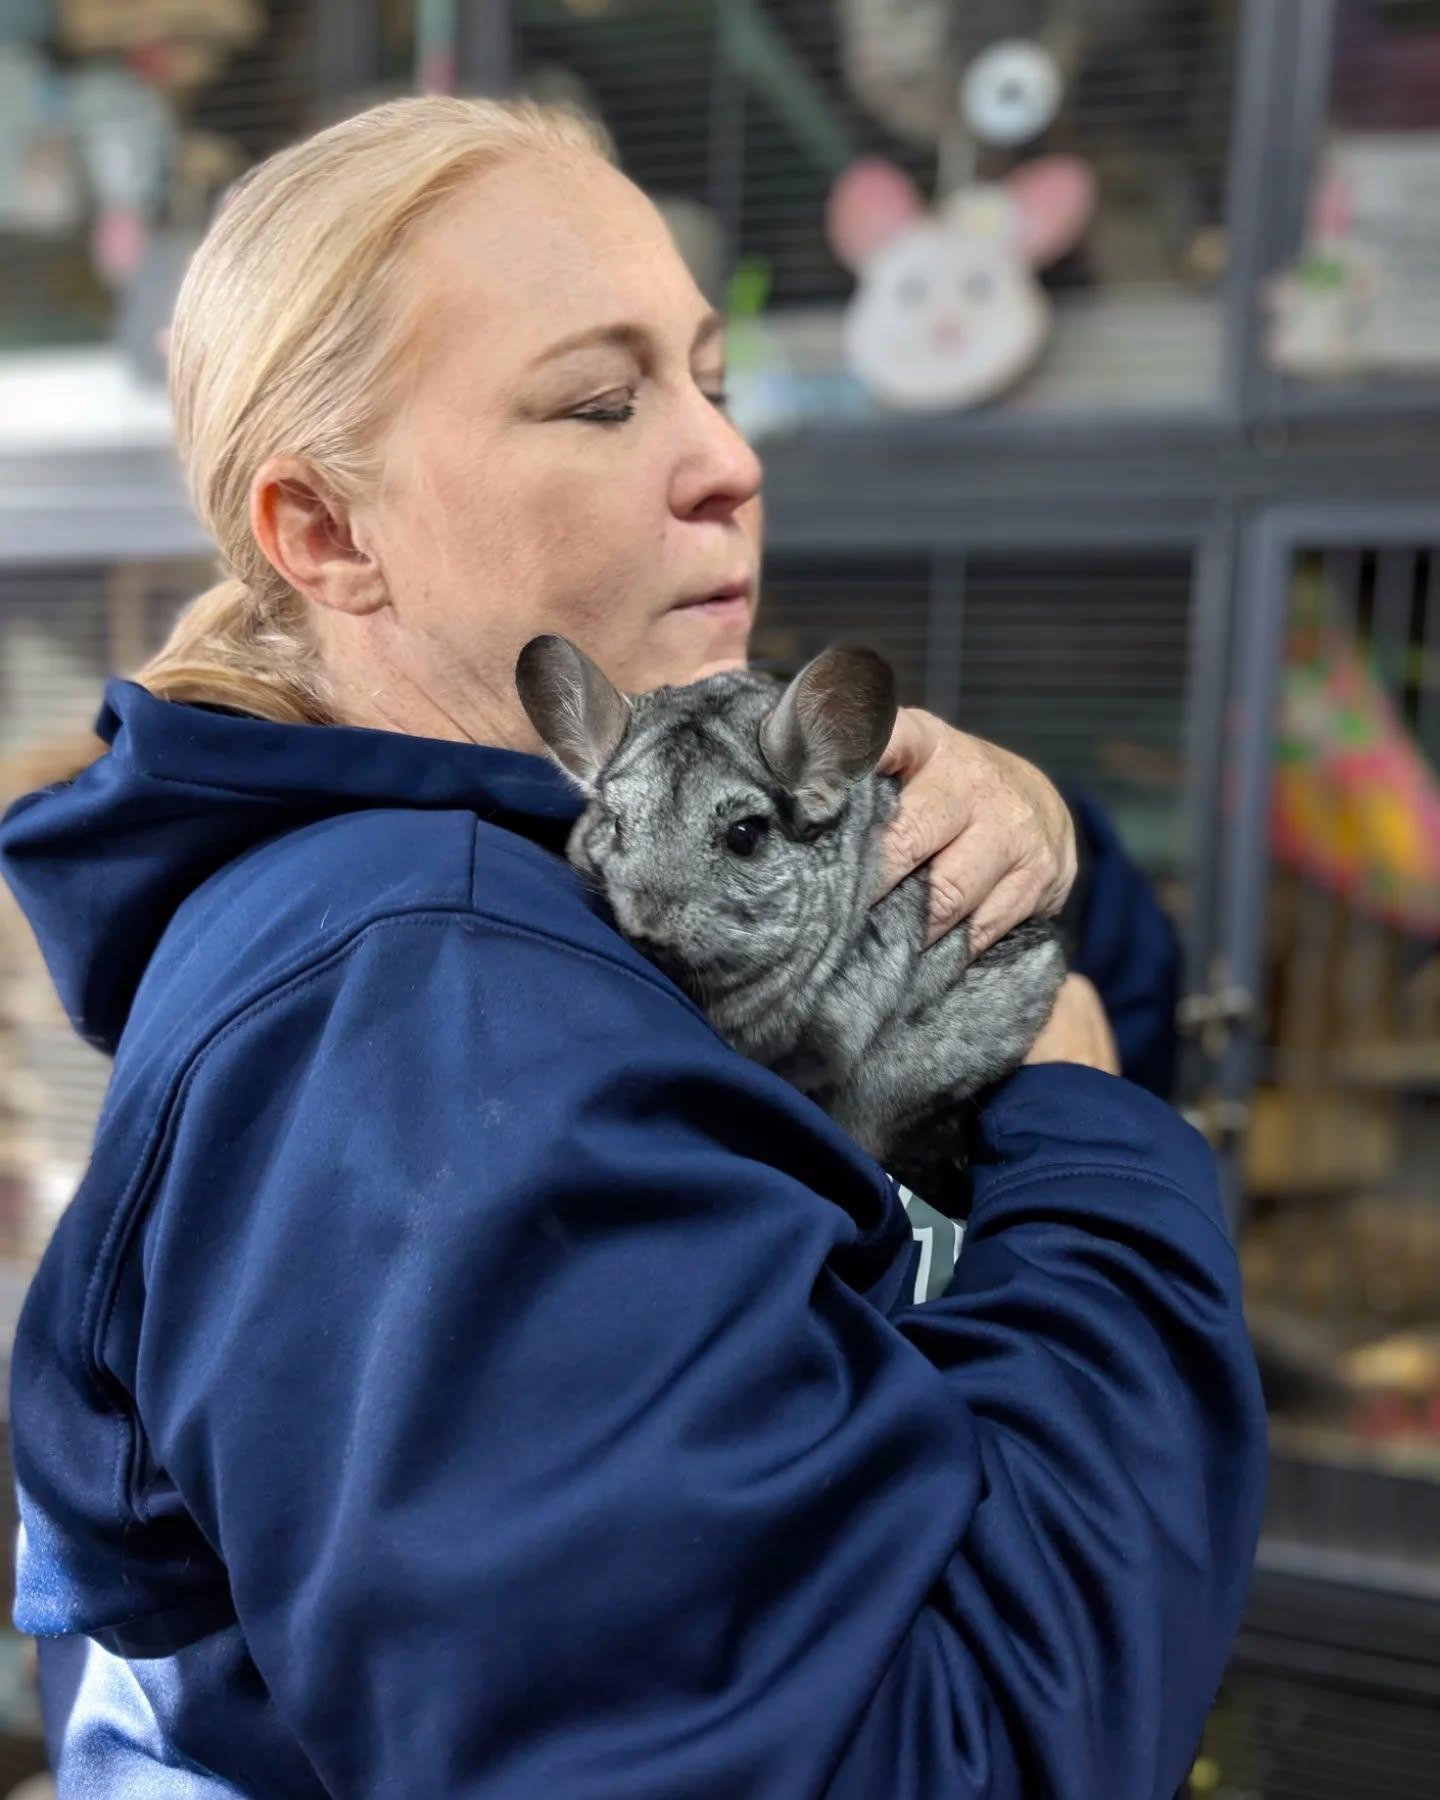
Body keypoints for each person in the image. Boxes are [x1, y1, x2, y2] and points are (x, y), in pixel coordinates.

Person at [0, 97, 1264, 1798]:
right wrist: (1090, 1135)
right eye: (601, 401)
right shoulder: (429, 1022)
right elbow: (902, 1759)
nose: (728, 460)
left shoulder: (544, 882)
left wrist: (1027, 837)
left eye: (712, 379)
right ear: (325, 534)